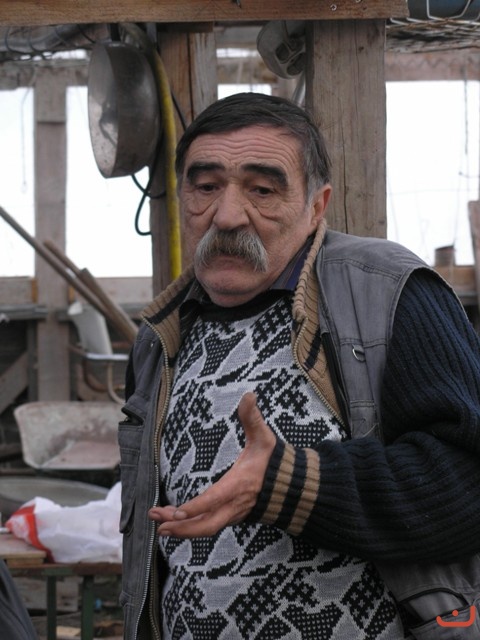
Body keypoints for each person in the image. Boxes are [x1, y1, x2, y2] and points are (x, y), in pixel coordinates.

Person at [118, 92, 480, 640]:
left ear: (316, 206)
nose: (228, 215)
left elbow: (466, 485)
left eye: (262, 190)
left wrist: (289, 484)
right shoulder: (160, 337)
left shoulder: (385, 292)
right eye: (206, 186)